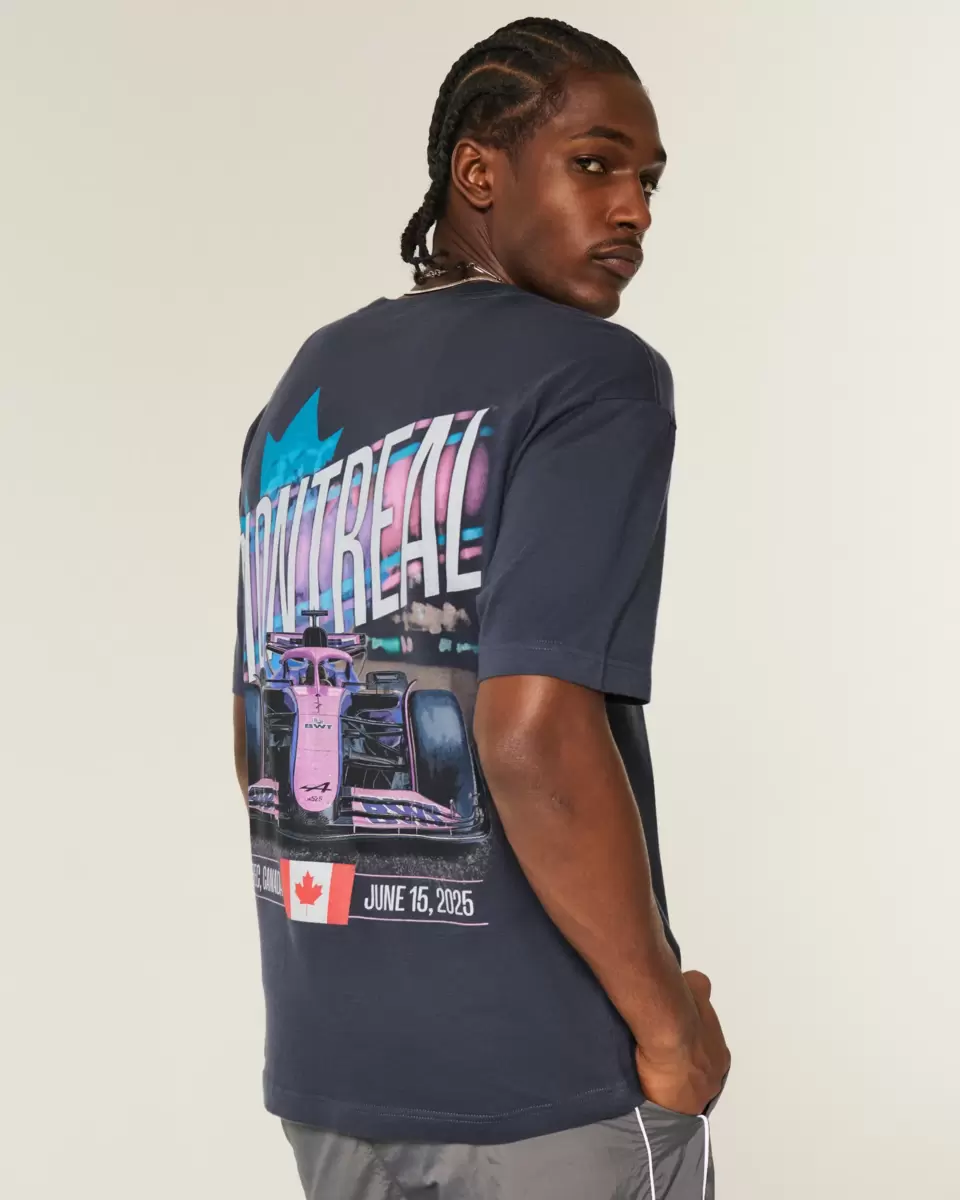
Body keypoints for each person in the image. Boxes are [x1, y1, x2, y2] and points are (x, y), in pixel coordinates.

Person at [232, 16, 730, 1199]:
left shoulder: (305, 389)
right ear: (479, 171)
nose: (634, 210)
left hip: (332, 1075)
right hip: (541, 1083)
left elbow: (259, 737)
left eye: (650, 182)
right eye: (596, 164)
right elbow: (532, 732)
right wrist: (668, 1029)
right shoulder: (595, 376)